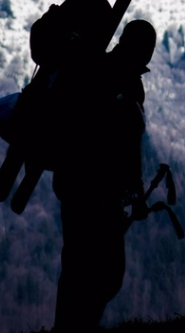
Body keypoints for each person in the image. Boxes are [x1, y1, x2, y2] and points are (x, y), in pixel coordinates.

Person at [50, 17, 157, 332]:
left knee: (84, 268)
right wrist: (133, 191)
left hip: (81, 188)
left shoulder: (108, 75)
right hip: (92, 190)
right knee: (98, 271)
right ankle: (75, 326)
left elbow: (124, 144)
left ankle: (71, 326)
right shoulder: (115, 80)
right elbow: (123, 143)